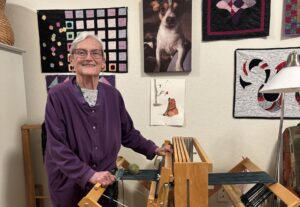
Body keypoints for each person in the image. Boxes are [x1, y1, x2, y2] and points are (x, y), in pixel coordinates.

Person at [44, 31, 172, 207]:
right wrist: (89, 174)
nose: (89, 58)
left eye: (95, 53)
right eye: (81, 52)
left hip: (104, 181)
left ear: (103, 62)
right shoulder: (57, 96)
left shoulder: (113, 95)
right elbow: (57, 147)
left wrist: (154, 148)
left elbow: (127, 133)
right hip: (70, 184)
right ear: (72, 59)